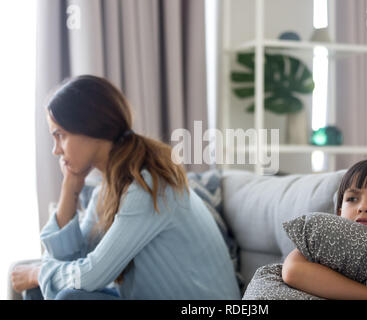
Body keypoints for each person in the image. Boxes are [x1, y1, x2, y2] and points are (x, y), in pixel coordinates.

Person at [11, 75, 241, 300]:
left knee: (68, 295)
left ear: (90, 126)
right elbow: (71, 260)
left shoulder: (148, 186)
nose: (56, 150)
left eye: (60, 135)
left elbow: (91, 275)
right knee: (43, 290)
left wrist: (38, 273)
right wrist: (70, 186)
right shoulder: (108, 188)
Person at [281, 158, 367, 300]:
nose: (363, 207)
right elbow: (292, 270)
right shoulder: (327, 238)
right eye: (352, 199)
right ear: (340, 212)